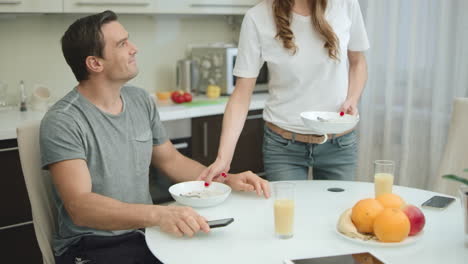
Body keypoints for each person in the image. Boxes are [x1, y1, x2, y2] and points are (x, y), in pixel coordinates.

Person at [40, 10, 270, 264]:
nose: (134, 48)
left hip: (144, 234)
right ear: (95, 63)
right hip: (92, 245)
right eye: (122, 44)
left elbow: (172, 161)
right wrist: (159, 215)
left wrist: (226, 181)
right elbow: (80, 206)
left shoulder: (140, 101)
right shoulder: (63, 120)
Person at [200, 0, 369, 184]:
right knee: (288, 212)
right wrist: (223, 158)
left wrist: (352, 98)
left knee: (338, 211)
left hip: (339, 143)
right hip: (283, 146)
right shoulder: (257, 17)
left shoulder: (345, 5)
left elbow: (358, 62)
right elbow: (241, 94)